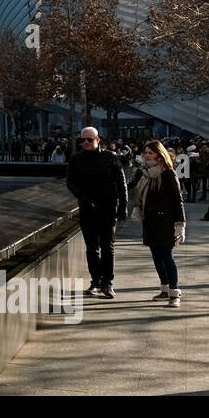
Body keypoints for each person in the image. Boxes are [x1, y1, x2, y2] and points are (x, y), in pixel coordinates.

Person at [66, 127, 127, 299]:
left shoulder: (110, 157)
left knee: (107, 247)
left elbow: (121, 182)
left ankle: (107, 283)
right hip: (87, 208)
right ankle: (95, 281)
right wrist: (82, 197)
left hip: (108, 208)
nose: (85, 143)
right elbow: (70, 182)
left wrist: (123, 206)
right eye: (83, 140)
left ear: (98, 140)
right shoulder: (76, 159)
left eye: (89, 140)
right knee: (92, 248)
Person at [133, 141, 186, 307]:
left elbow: (178, 200)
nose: (147, 155)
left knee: (167, 257)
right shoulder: (145, 173)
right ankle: (164, 289)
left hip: (165, 221)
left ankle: (174, 292)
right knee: (156, 256)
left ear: (159, 154)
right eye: (145, 152)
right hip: (149, 221)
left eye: (150, 152)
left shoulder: (168, 173)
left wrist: (180, 224)